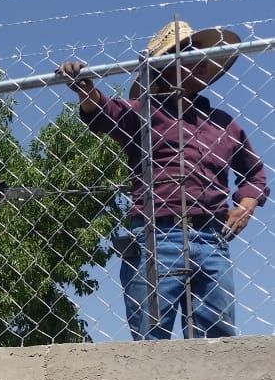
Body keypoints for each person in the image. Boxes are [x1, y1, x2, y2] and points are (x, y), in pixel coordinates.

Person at [58, 21, 269, 340]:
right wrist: (84, 87)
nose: (193, 59)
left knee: (217, 337)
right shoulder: (143, 114)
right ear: (161, 69)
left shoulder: (225, 125)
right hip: (156, 238)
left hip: (211, 238)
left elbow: (254, 172)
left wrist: (246, 205)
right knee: (152, 337)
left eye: (197, 53)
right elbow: (103, 110)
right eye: (182, 53)